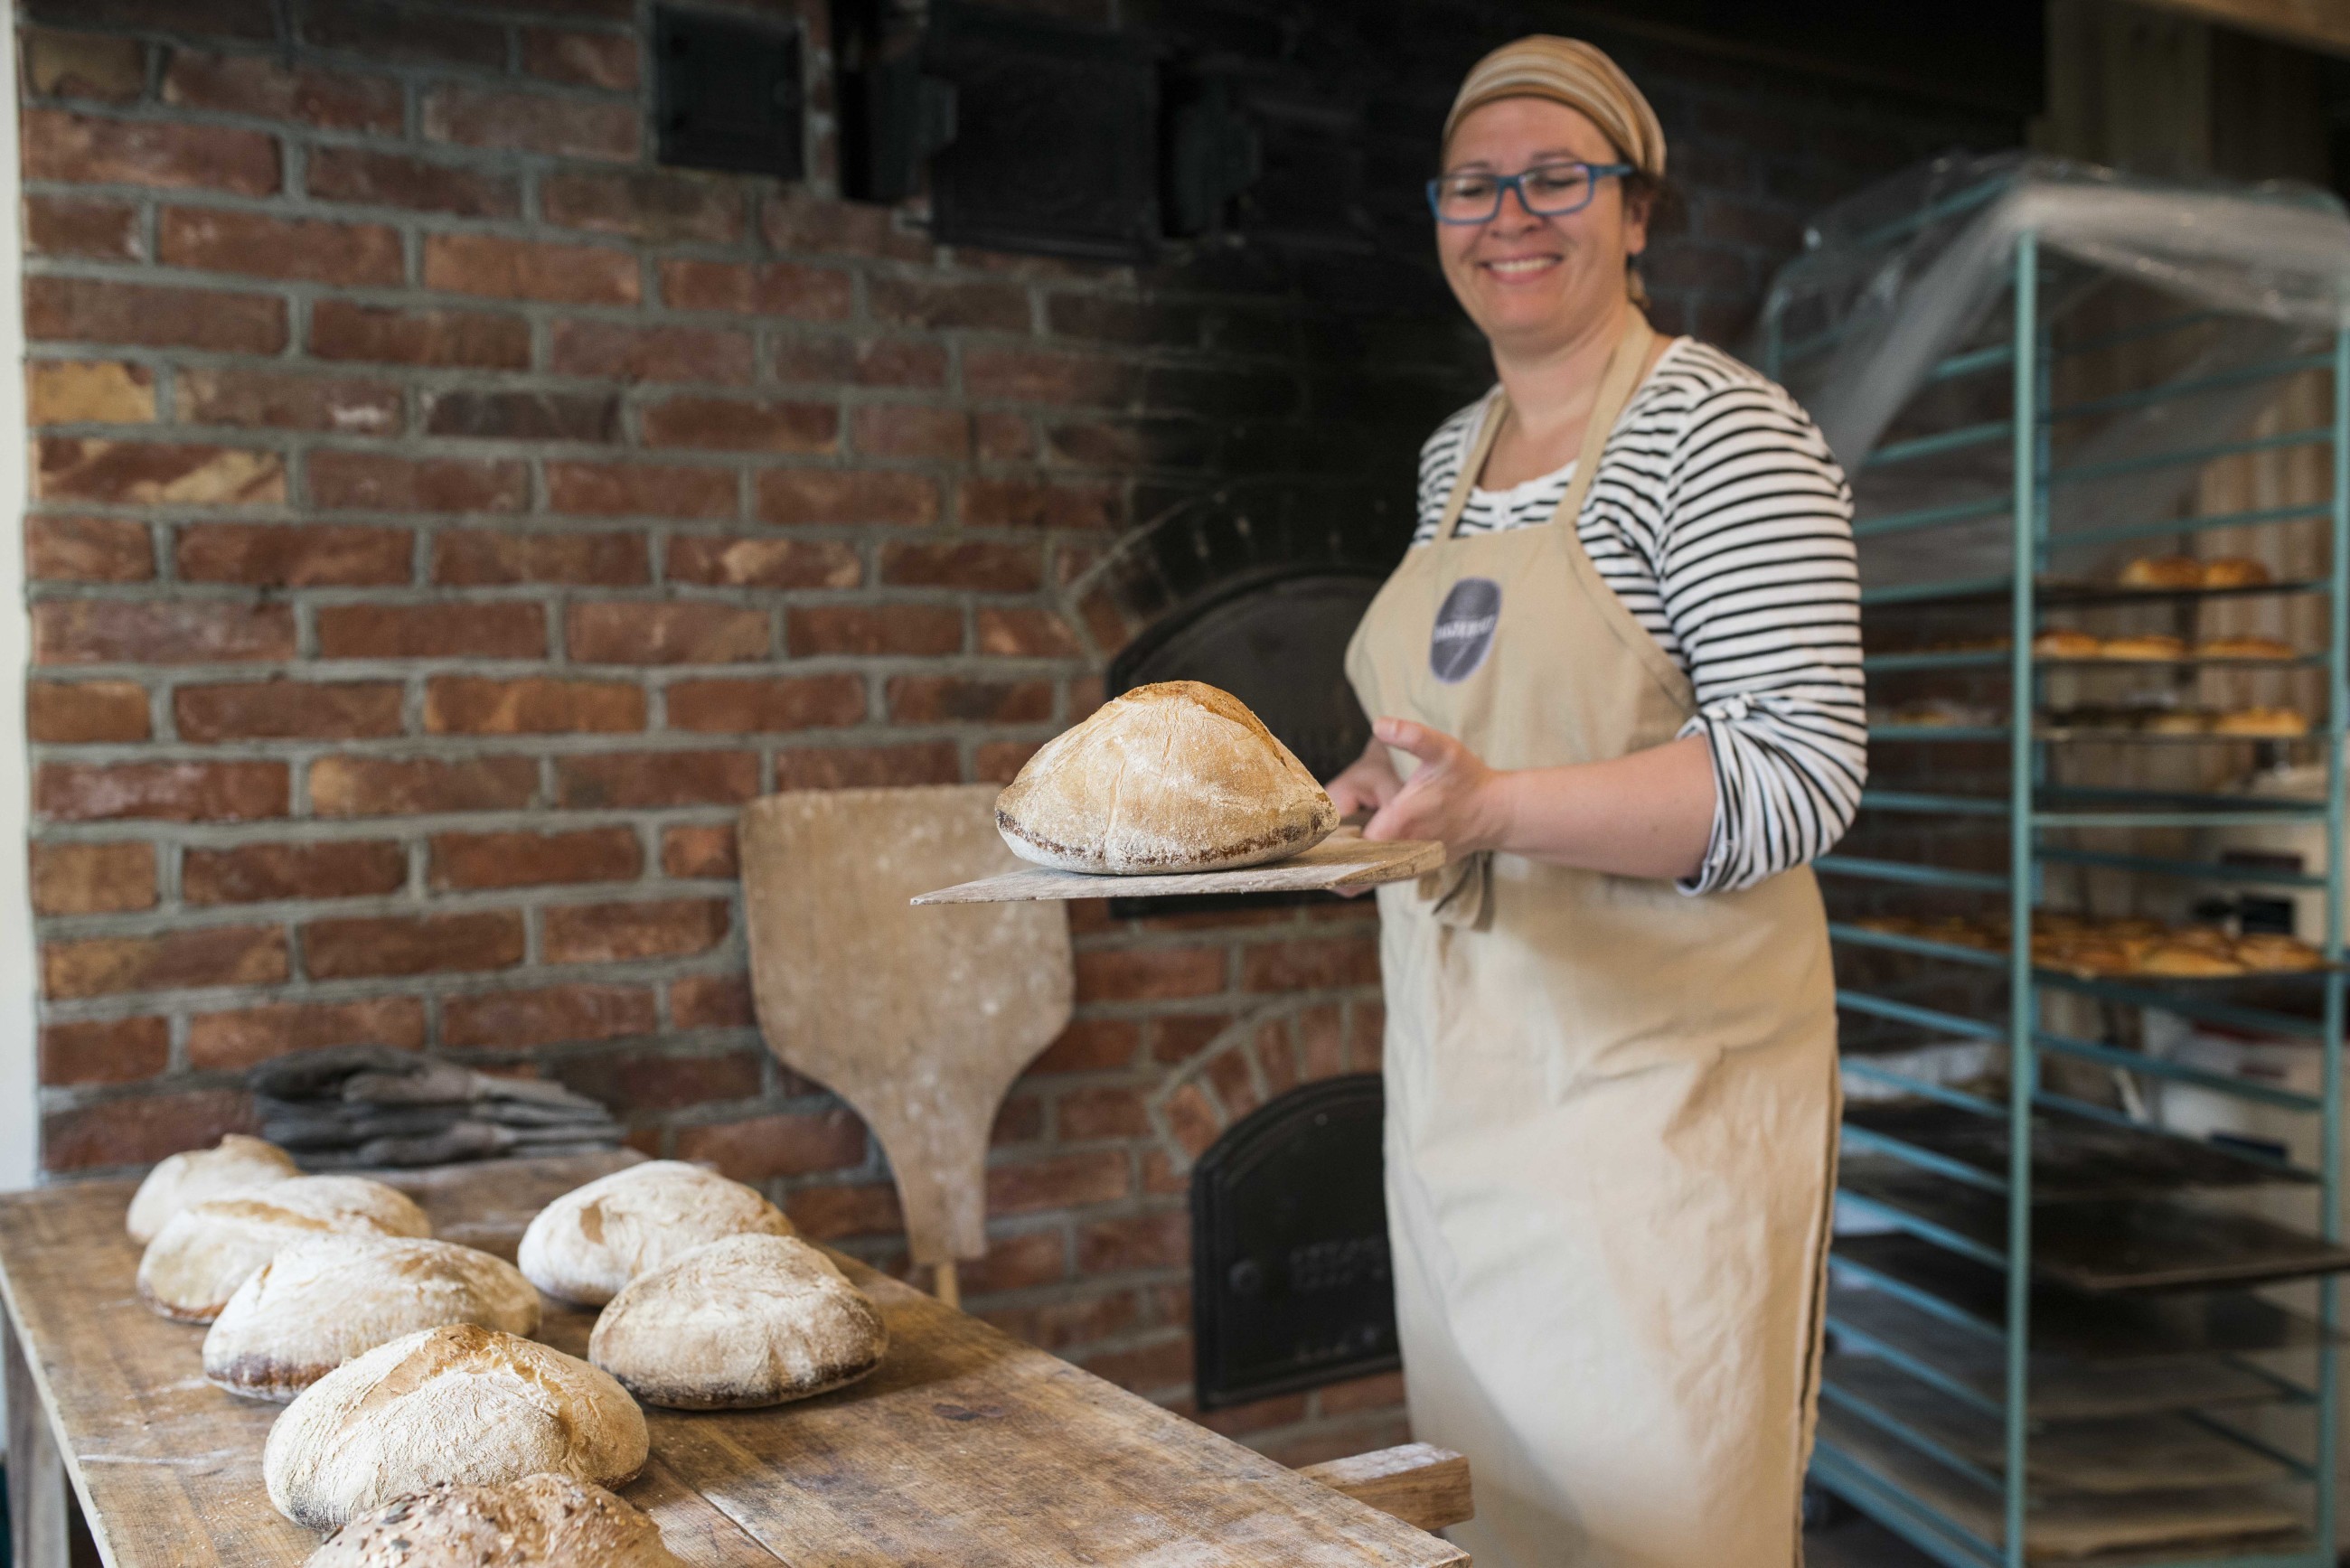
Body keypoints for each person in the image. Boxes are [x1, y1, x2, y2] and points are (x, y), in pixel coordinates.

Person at [1326, 35, 1864, 1568]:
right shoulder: (1454, 455)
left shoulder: (1723, 434)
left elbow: (1798, 769)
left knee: (1657, 1529)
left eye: (1557, 176)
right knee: (1494, 1518)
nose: (1512, 213)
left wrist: (1490, 813)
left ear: (1637, 212)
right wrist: (1387, 781)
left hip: (1657, 1117)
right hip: (1466, 1099)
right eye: (1475, 183)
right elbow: (1462, 738)